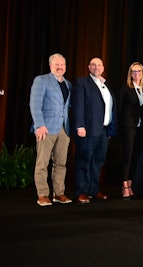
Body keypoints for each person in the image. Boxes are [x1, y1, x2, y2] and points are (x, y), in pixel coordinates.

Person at [71, 57, 117, 204]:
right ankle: (81, 192)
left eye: (99, 65)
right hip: (88, 130)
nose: (96, 67)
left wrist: (110, 130)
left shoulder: (105, 85)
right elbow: (77, 105)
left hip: (103, 131)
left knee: (97, 162)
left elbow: (110, 107)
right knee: (84, 160)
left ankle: (93, 190)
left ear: (103, 68)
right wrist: (79, 126)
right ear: (89, 67)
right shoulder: (82, 82)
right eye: (93, 65)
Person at [29, 53, 72, 206]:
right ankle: (42, 194)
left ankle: (59, 193)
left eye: (62, 65)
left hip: (64, 129)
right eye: (57, 64)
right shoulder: (41, 80)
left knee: (61, 163)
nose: (60, 67)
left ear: (65, 67)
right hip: (45, 128)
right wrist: (39, 125)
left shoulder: (68, 84)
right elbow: (35, 104)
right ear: (50, 65)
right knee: (42, 163)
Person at [118, 62, 143, 200]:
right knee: (127, 157)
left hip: (140, 128)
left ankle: (130, 184)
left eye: (139, 71)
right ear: (130, 74)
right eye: (134, 71)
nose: (137, 74)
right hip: (128, 128)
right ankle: (124, 186)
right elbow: (119, 108)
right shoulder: (125, 88)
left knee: (135, 157)